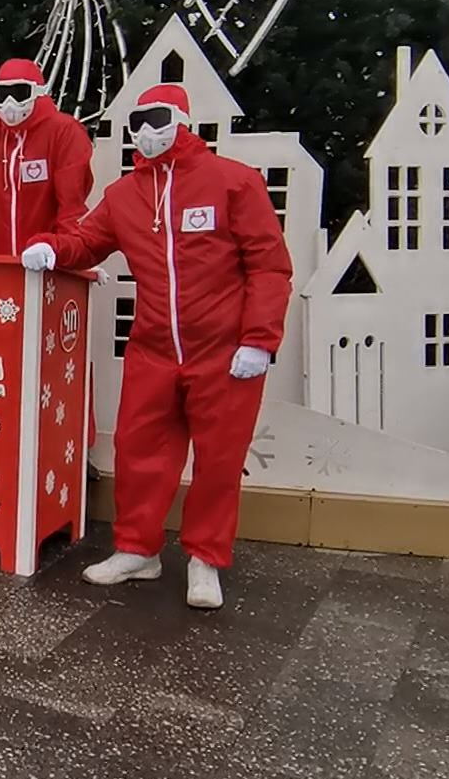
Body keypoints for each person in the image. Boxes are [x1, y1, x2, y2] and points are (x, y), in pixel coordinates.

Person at [20, 85, 291, 609]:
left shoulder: (235, 181)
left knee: (218, 460)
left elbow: (268, 265)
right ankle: (137, 550)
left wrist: (259, 339)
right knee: (139, 450)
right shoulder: (125, 194)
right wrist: (49, 247)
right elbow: (87, 241)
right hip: (153, 348)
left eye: (157, 117)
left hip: (225, 351)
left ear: (183, 120)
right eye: (137, 120)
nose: (146, 130)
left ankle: (206, 559)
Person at [0, 58, 94, 256]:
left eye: (19, 93)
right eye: (2, 94)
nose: (10, 103)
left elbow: (71, 207)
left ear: (38, 92)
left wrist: (66, 255)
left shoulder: (65, 132)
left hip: (47, 261)